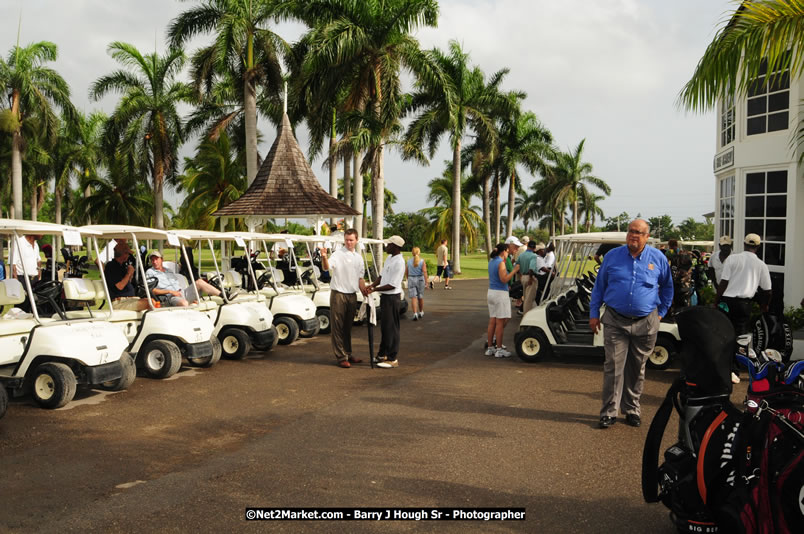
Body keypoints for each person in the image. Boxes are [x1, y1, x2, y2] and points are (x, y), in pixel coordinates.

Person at [589, 219, 673, 429]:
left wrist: (660, 313)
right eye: (630, 231)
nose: (633, 235)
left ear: (647, 236)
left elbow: (667, 288)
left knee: (637, 369)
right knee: (613, 368)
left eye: (638, 232)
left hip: (646, 323)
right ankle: (609, 412)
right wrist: (593, 313)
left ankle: (632, 409)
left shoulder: (658, 258)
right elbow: (599, 287)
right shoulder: (612, 256)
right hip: (615, 320)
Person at [714, 233, 772, 384]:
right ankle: (734, 371)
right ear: (758, 247)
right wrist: (764, 305)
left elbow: (723, 283)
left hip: (727, 302)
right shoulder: (761, 265)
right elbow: (767, 290)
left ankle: (720, 368)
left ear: (744, 244)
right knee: (740, 338)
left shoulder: (733, 259)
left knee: (723, 335)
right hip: (744, 304)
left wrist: (716, 301)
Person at [320, 228, 368, 368]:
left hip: (352, 295)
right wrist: (324, 257)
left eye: (351, 240)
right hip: (338, 294)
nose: (348, 242)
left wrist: (365, 290)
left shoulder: (358, 258)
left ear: (356, 240)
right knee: (337, 327)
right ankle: (341, 357)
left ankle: (348, 352)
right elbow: (326, 267)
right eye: (346, 240)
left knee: (348, 327)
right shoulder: (337, 254)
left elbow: (360, 277)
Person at [366, 236, 406, 369]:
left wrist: (374, 289)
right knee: (385, 328)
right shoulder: (389, 258)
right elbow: (382, 277)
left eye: (388, 244)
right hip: (385, 297)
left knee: (392, 329)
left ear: (395, 246)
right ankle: (382, 354)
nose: (386, 246)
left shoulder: (399, 262)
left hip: (392, 298)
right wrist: (372, 285)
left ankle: (392, 358)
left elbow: (392, 285)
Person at [485, 243, 520, 358]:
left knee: (493, 321)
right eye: (507, 251)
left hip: (491, 292)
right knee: (500, 322)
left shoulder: (491, 261)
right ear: (504, 251)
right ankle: (499, 349)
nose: (508, 253)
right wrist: (514, 271)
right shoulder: (500, 263)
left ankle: (490, 348)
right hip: (500, 293)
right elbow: (504, 279)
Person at [103, 242, 150, 311]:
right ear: (123, 254)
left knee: (152, 300)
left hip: (130, 299)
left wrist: (130, 275)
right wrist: (128, 273)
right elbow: (120, 286)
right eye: (128, 254)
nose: (129, 256)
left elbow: (126, 283)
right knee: (150, 303)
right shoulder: (111, 267)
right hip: (119, 302)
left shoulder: (122, 266)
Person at [405, 246, 429, 321]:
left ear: (412, 253)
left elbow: (406, 272)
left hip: (411, 278)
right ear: (419, 252)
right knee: (420, 297)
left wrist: (408, 278)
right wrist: (426, 282)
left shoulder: (408, 261)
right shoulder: (422, 261)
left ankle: (415, 313)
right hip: (420, 279)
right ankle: (421, 312)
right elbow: (424, 272)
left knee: (413, 297)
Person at [518, 240, 537, 314]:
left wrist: (520, 275)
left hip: (523, 276)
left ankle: (532, 314)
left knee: (526, 297)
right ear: (534, 248)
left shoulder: (521, 255)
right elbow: (531, 268)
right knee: (529, 300)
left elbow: (517, 266)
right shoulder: (533, 256)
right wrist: (531, 278)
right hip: (530, 277)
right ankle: (526, 316)